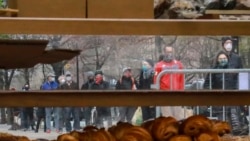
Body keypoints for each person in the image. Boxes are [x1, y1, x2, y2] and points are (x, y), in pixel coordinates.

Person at [204, 51, 247, 135]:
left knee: (235, 123)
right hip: (219, 100)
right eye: (220, 59)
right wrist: (211, 95)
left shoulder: (233, 70)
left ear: (227, 59)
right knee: (223, 123)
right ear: (217, 60)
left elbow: (237, 82)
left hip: (232, 98)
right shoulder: (213, 71)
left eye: (224, 58)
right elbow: (207, 84)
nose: (222, 60)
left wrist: (237, 93)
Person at [154, 46, 185, 120]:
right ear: (164, 53)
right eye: (168, 52)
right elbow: (156, 80)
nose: (169, 54)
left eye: (171, 52)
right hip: (165, 94)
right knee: (168, 117)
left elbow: (182, 79)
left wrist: (182, 91)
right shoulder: (159, 65)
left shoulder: (179, 64)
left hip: (177, 94)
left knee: (178, 116)